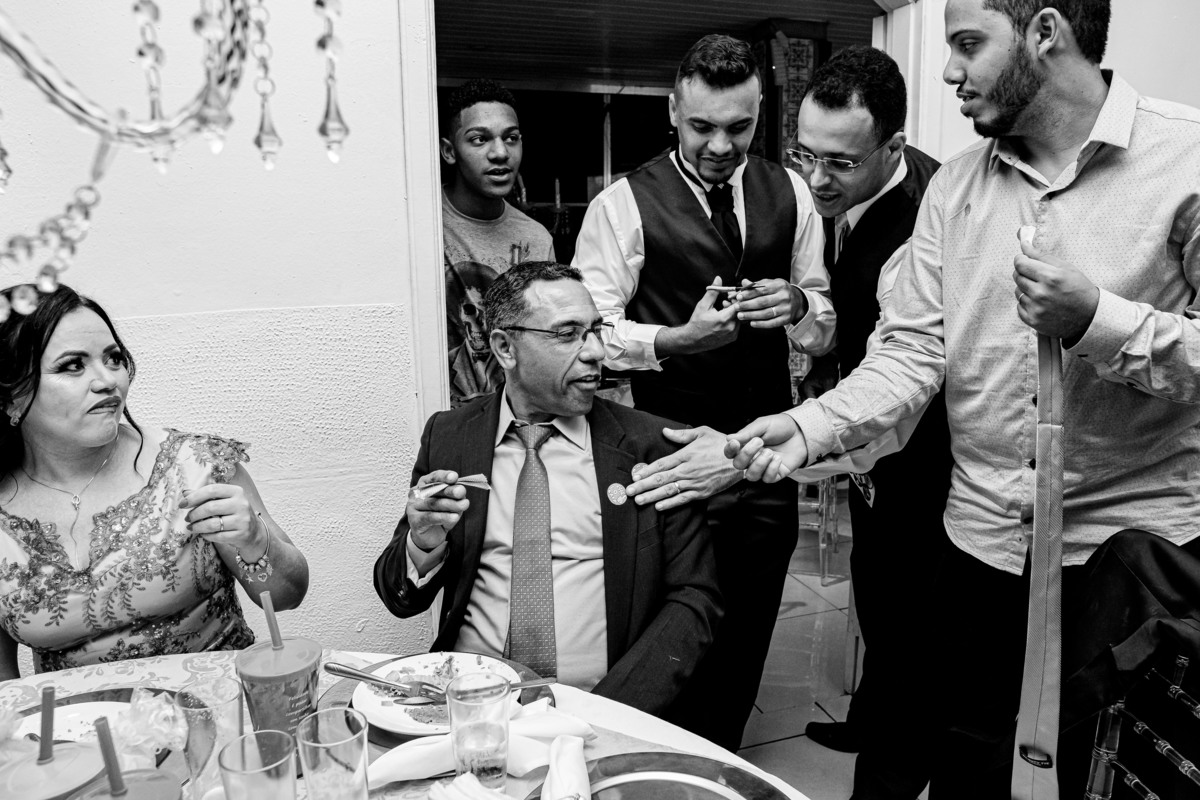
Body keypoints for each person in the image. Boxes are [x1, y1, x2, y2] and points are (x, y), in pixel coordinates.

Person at [726, 0, 1200, 794]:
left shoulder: (1186, 159)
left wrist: (1097, 321)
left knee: (1097, 776)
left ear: (1044, 32)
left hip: (1127, 562)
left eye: (969, 44)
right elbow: (911, 352)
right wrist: (809, 427)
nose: (948, 70)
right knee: (966, 769)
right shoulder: (953, 189)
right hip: (980, 547)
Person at [573, 33, 833, 750]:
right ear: (672, 111)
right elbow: (591, 333)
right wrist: (675, 340)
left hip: (765, 456)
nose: (720, 145)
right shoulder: (622, 205)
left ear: (760, 113)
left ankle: (721, 764)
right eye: (701, 126)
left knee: (749, 627)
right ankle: (654, 762)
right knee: (669, 629)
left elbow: (824, 313)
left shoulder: (792, 192)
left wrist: (800, 309)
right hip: (668, 459)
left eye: (739, 127)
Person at [373, 262, 722, 716]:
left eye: (595, 331)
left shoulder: (653, 446)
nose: (595, 351)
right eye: (568, 334)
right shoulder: (450, 437)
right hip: (471, 704)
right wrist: (423, 543)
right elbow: (400, 598)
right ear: (505, 347)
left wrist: (610, 713)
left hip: (603, 706)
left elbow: (694, 599)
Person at [783, 46, 949, 800]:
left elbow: (912, 370)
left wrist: (812, 440)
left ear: (893, 147)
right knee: (874, 591)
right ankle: (867, 718)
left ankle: (890, 773)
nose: (818, 179)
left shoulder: (923, 222)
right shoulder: (847, 198)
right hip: (872, 451)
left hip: (924, 455)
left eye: (840, 163)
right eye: (806, 155)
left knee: (909, 618)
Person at [0, 284, 309, 679]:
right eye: (72, 366)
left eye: (113, 358)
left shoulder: (193, 466)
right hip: (74, 720)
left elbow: (287, 595)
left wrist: (255, 540)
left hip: (215, 703)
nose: (107, 380)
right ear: (11, 396)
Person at [441, 78, 555, 407]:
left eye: (511, 138)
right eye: (479, 139)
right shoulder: (423, 227)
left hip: (515, 417)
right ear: (450, 151)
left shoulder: (535, 238)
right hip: (440, 417)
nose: (501, 153)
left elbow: (547, 339)